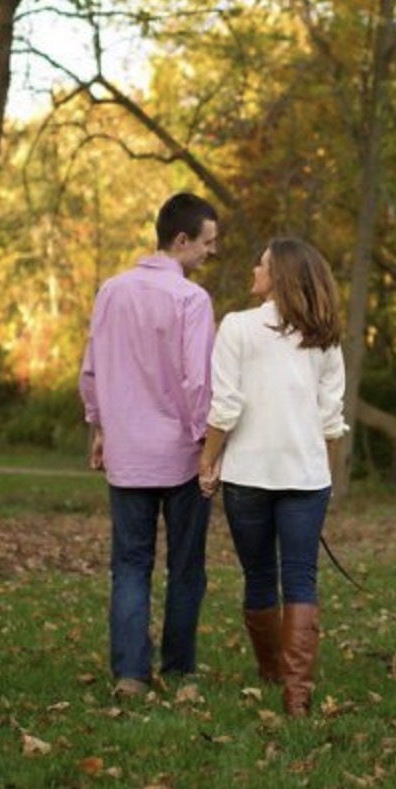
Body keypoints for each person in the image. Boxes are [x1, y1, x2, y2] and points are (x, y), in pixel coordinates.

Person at [78, 191, 220, 699]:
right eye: (207, 243)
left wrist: (100, 427)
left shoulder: (111, 291)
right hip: (182, 455)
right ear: (181, 239)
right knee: (186, 566)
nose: (211, 252)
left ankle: (131, 675)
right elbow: (198, 382)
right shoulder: (192, 300)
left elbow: (92, 370)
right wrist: (208, 446)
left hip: (128, 454)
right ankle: (178, 670)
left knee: (130, 565)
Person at [198, 237, 348, 717]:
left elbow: (225, 406)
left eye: (261, 265)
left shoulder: (237, 327)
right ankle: (297, 695)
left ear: (279, 276)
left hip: (248, 475)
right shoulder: (324, 335)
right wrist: (323, 473)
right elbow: (331, 420)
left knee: (260, 574)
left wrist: (207, 461)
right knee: (301, 577)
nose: (254, 270)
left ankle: (272, 673)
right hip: (306, 478)